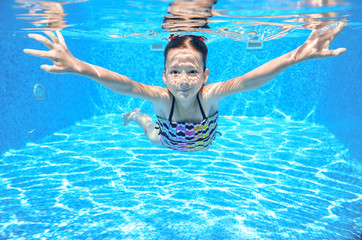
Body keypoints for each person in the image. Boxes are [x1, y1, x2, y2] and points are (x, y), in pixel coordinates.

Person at [23, 22, 346, 152]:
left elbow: (251, 80)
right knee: (147, 124)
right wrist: (80, 67)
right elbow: (126, 85)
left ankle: (138, 117)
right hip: (164, 141)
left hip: (201, 143)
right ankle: (135, 117)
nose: (183, 80)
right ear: (164, 76)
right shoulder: (162, 97)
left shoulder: (211, 94)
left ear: (205, 75)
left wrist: (294, 57)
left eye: (192, 71)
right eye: (175, 71)